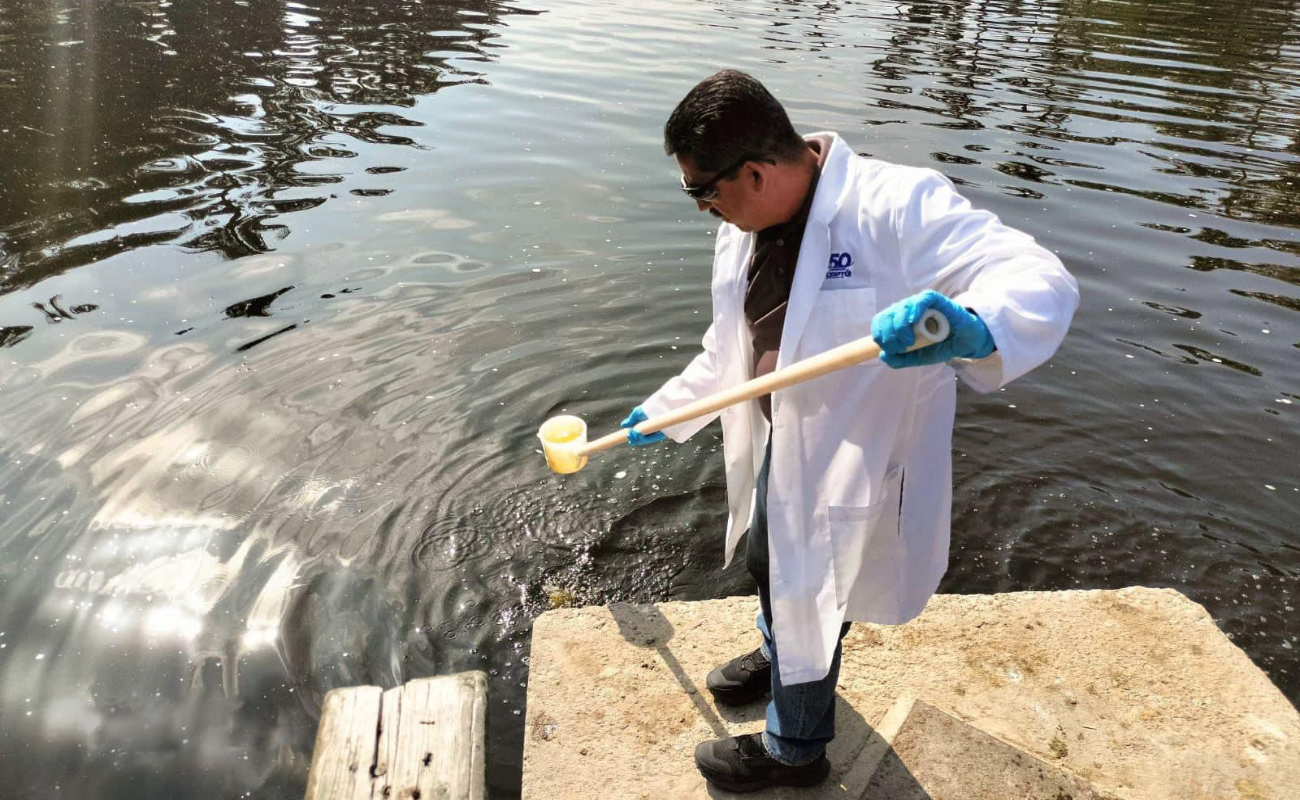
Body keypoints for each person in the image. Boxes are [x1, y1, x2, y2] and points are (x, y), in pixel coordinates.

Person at [619, 70, 1079, 793]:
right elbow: (729, 350)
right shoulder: (746, 232)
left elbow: (1035, 276)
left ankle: (794, 751)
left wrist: (973, 326)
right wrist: (669, 409)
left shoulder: (894, 204)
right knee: (773, 564)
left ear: (757, 172)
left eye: (705, 192)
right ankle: (781, 653)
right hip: (785, 445)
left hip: (856, 461)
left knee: (813, 584)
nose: (706, 209)